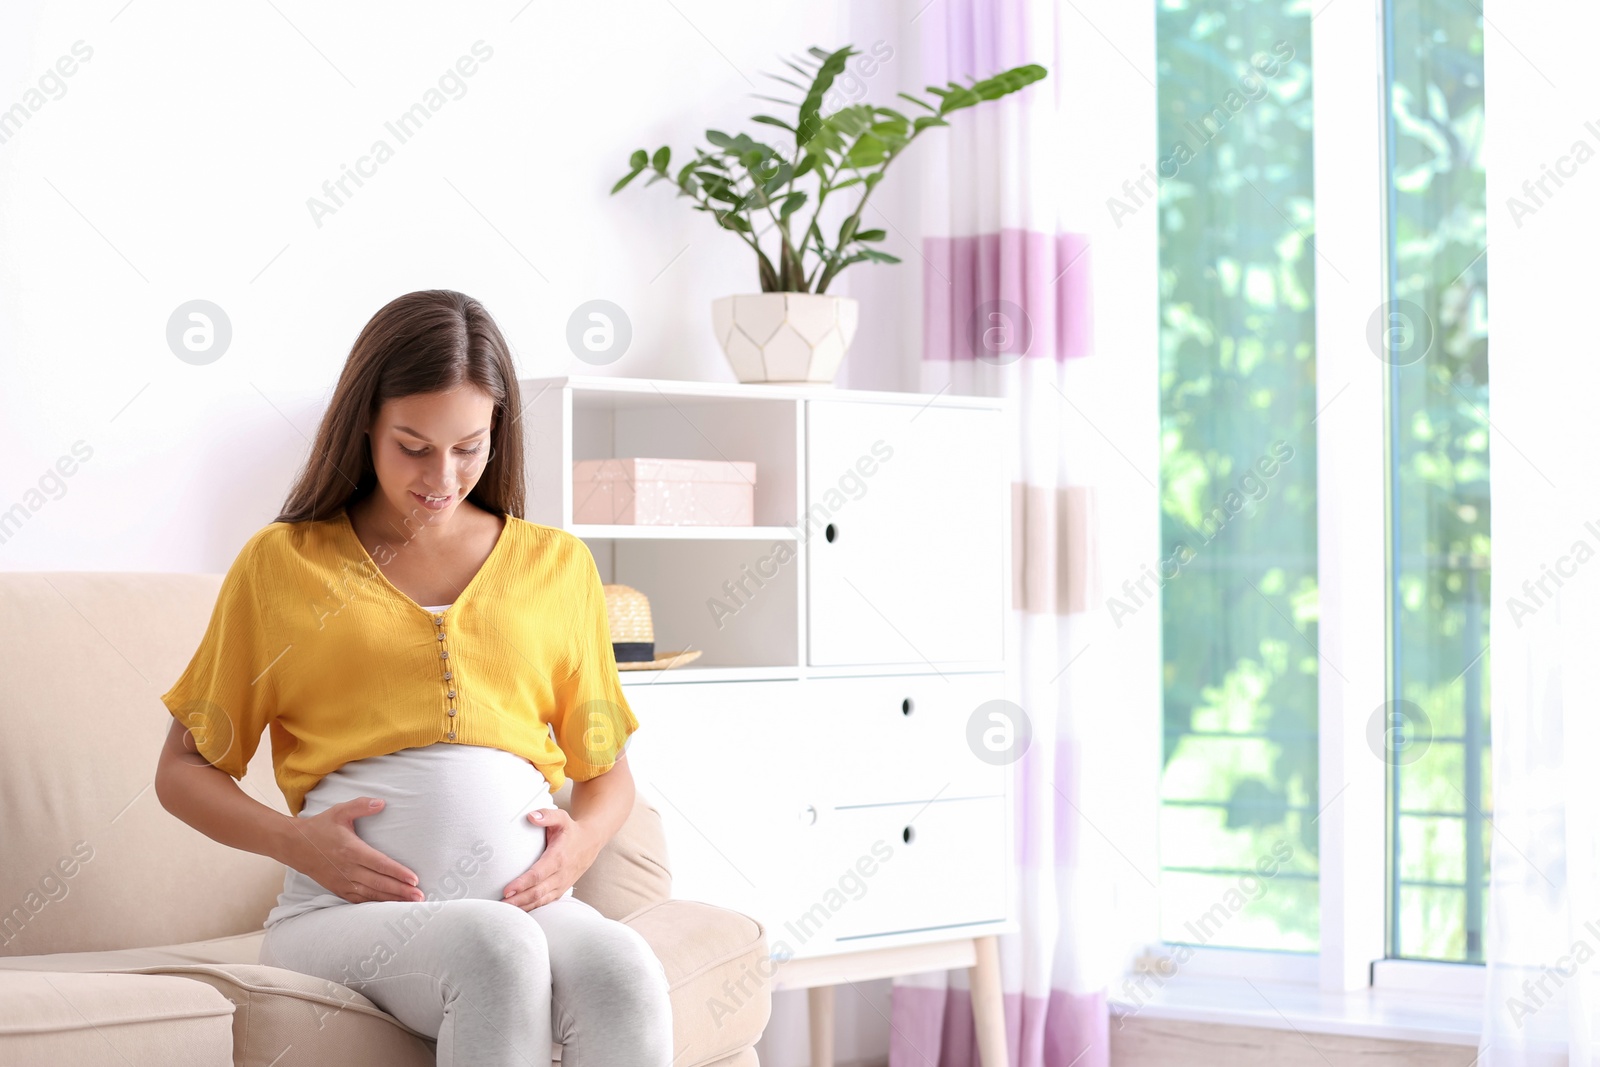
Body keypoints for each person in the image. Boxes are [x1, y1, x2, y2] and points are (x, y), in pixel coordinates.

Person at [152, 289, 674, 1067]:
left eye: (470, 446)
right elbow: (182, 769)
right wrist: (297, 843)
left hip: (526, 903)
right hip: (341, 915)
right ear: (365, 422)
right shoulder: (283, 564)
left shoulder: (556, 567)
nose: (444, 475)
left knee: (626, 969)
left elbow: (608, 775)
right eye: (413, 445)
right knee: (495, 948)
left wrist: (581, 847)